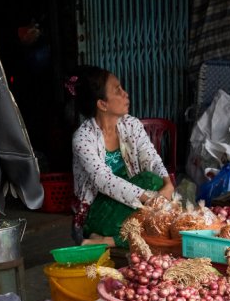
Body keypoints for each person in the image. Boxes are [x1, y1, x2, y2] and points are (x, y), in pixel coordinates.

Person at [68, 65, 175, 245]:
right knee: (153, 200)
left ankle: (107, 240)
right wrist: (150, 199)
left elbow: (150, 157)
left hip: (129, 204)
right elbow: (104, 181)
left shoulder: (131, 125)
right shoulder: (83, 138)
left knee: (156, 192)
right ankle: (108, 239)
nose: (125, 94)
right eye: (118, 90)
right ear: (102, 104)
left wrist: (167, 184)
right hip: (97, 211)